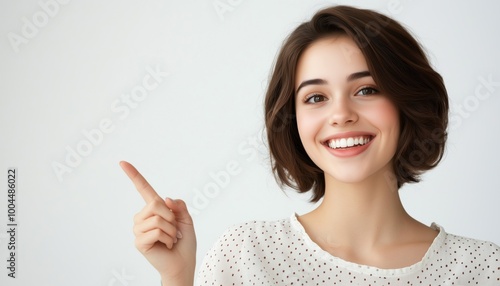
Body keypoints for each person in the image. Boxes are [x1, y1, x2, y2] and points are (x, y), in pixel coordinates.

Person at [120, 5, 500, 285]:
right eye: (316, 97)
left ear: (407, 104)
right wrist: (177, 275)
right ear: (294, 119)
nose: (341, 114)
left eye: (367, 90)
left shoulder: (484, 269)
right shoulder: (247, 255)